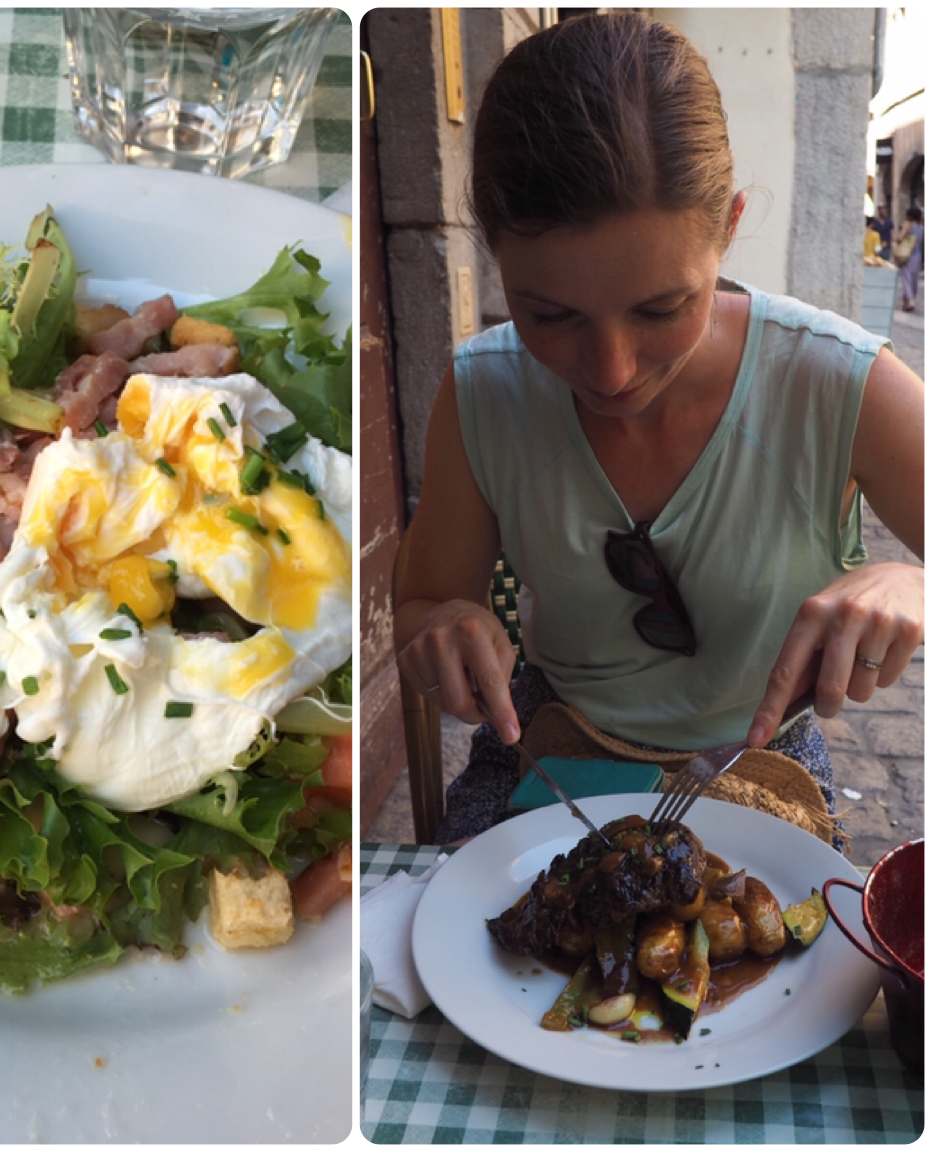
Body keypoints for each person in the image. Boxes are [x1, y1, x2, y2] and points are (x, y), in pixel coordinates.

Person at [393, 12, 924, 845]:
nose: (610, 371)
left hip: (759, 758)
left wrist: (912, 585)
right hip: (546, 745)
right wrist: (437, 630)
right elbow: (426, 598)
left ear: (729, 229)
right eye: (549, 314)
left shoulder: (837, 383)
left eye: (662, 308)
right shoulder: (481, 394)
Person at [895, 206, 924, 312]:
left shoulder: (908, 225)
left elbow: (900, 238)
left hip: (906, 255)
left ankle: (910, 300)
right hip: (918, 255)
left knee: (906, 278)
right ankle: (907, 302)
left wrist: (897, 238)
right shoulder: (922, 227)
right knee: (914, 279)